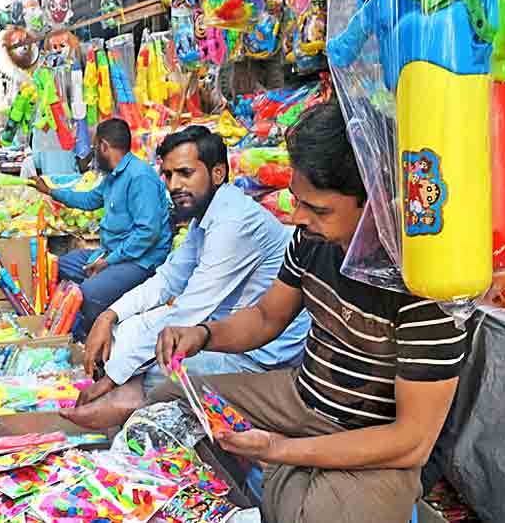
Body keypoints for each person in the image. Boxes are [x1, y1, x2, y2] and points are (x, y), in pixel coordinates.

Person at [147, 102, 469, 523]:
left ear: (374, 203)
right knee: (167, 405)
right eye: (298, 201)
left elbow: (411, 442)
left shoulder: (428, 284)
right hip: (301, 399)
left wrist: (279, 449)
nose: (298, 218)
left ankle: (294, 477)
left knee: (313, 515)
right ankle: (282, 480)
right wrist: (203, 334)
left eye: (317, 209)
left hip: (373, 441)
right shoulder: (311, 240)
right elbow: (266, 318)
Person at [62, 126, 311, 428]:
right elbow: (167, 279)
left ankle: (131, 399)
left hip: (258, 353)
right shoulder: (205, 217)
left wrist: (115, 376)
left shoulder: (232, 222)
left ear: (218, 173)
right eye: (168, 175)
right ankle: (128, 396)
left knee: (157, 368)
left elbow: (190, 311)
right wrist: (109, 315)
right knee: (125, 334)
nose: (174, 185)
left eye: (185, 173)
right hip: (221, 331)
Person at [33, 118, 172, 337]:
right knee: (57, 267)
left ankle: (86, 339)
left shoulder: (140, 177)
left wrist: (108, 262)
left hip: (139, 260)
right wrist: (51, 191)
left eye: (96, 147)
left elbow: (147, 233)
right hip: (111, 252)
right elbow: (90, 199)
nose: (94, 153)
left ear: (105, 146)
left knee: (86, 295)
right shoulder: (114, 177)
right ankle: (56, 331)